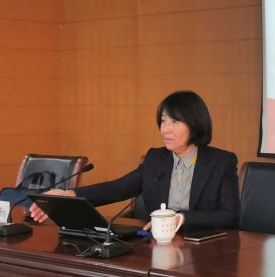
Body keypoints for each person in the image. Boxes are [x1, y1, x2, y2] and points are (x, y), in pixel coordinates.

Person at [30, 91, 238, 230]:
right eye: (163, 121)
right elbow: (118, 188)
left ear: (195, 123)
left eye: (174, 121)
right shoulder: (155, 159)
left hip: (206, 251)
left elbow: (230, 215)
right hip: (158, 248)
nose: (165, 129)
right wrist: (69, 195)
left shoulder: (222, 162)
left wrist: (181, 218)